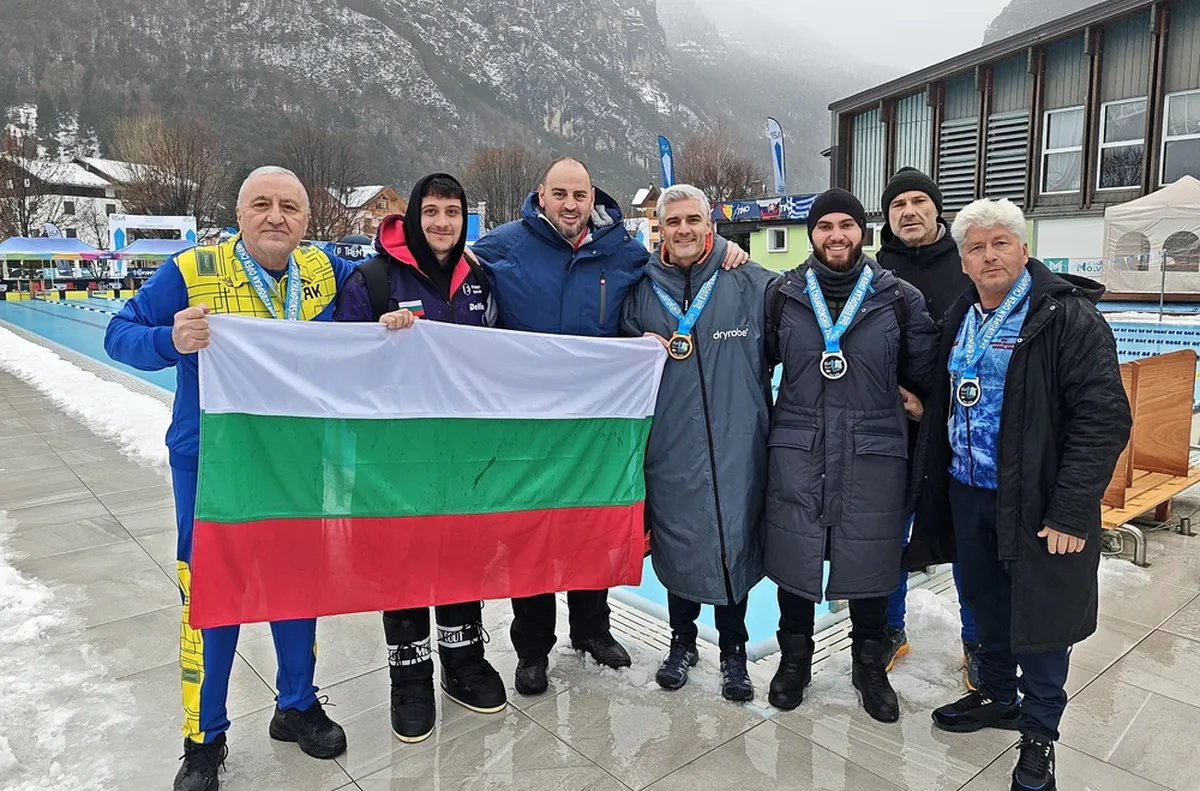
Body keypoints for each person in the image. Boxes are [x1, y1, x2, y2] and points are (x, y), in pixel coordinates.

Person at [105, 166, 370, 791]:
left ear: (307, 220)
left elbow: (384, 282)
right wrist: (170, 339)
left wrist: (406, 311)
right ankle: (204, 737)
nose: (277, 217)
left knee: (295, 583)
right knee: (211, 594)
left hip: (295, 460)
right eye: (262, 205)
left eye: (290, 207)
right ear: (240, 213)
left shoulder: (324, 269)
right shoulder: (192, 270)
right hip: (212, 462)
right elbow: (118, 334)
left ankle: (295, 705)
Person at [470, 156, 748, 696]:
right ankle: (533, 649)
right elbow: (450, 274)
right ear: (541, 196)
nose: (570, 204)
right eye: (560, 194)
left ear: (592, 197)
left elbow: (675, 270)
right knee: (533, 533)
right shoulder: (503, 246)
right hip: (531, 422)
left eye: (580, 194)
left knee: (591, 526)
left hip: (597, 421)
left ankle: (592, 630)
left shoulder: (622, 250)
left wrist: (726, 252)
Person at [906, 198, 1130, 791]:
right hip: (970, 491)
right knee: (986, 604)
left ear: (1024, 249)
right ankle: (999, 696)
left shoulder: (1066, 317)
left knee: (1043, 619)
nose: (989, 256)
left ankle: (1039, 738)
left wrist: (1072, 510)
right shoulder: (961, 314)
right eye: (976, 247)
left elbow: (1103, 419)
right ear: (962, 261)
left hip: (1037, 502)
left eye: (1000, 243)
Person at [333, 173, 506, 744]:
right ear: (413, 217)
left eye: (452, 212)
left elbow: (499, 356)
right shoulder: (374, 278)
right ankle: (409, 675)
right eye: (431, 211)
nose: (441, 222)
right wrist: (379, 339)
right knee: (402, 559)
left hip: (461, 451)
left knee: (461, 551)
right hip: (396, 455)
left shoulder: (479, 278)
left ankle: (462, 660)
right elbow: (341, 362)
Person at [762, 188, 939, 723]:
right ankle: (795, 660)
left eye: (846, 225)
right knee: (794, 557)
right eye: (825, 226)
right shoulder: (783, 295)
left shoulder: (898, 298)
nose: (836, 235)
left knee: (870, 559)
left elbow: (929, 371)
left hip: (873, 452)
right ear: (811, 234)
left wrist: (922, 406)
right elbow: (755, 365)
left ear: (863, 231)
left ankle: (868, 665)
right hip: (800, 448)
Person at [619, 184, 776, 702]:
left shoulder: (748, 281)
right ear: (660, 229)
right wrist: (633, 346)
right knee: (680, 542)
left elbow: (800, 325)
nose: (683, 229)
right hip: (671, 447)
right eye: (673, 221)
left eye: (693, 220)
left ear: (710, 225)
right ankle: (681, 643)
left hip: (737, 446)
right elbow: (614, 360)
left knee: (733, 544)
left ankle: (734, 653)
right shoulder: (640, 291)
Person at [876, 167, 979, 688]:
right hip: (896, 431)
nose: (909, 211)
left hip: (959, 429)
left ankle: (978, 640)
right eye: (898, 205)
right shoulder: (875, 270)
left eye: (919, 201)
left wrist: (934, 407)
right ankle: (889, 629)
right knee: (888, 536)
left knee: (965, 539)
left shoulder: (966, 265)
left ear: (938, 209)